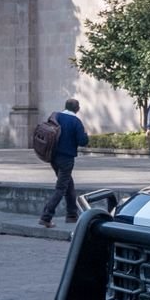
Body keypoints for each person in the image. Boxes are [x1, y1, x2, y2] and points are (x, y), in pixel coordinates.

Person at [39, 98, 89, 228]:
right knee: (61, 188)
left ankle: (72, 215)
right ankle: (46, 217)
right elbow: (83, 141)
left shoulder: (55, 116)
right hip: (66, 159)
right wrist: (86, 134)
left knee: (68, 185)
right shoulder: (76, 122)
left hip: (53, 157)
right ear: (77, 109)